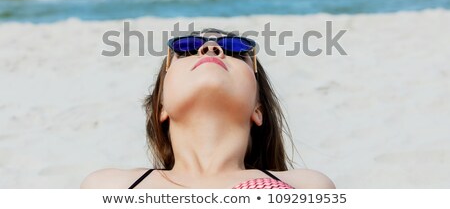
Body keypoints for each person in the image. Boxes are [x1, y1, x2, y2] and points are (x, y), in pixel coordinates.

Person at [81, 28, 335, 189]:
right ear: (161, 106)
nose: (210, 48)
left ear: (258, 109)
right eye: (186, 49)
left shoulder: (309, 187)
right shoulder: (108, 186)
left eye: (236, 51)